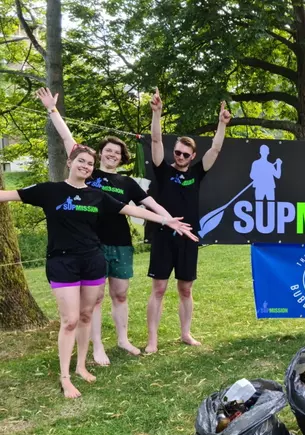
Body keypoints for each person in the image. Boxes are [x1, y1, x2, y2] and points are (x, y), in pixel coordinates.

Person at [0, 145, 194, 398]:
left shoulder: (97, 195)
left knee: (86, 315)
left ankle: (81, 365)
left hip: (92, 260)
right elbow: (7, 194)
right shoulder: (49, 191)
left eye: (89, 164)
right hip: (62, 263)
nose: (85, 166)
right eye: (81, 161)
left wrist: (166, 220)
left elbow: (132, 209)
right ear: (70, 162)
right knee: (69, 320)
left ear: (93, 169)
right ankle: (65, 377)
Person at [35, 88, 196, 366]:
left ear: (122, 159)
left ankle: (122, 339)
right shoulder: (88, 171)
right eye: (107, 151)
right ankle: (97, 347)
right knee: (95, 298)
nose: (112, 155)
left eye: (117, 153)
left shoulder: (128, 183)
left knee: (120, 294)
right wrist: (52, 109)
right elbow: (66, 138)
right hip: (91, 245)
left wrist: (170, 220)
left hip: (121, 244)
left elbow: (149, 204)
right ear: (99, 155)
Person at [146, 88, 231, 353]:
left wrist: (222, 123)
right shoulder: (161, 170)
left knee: (185, 289)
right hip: (163, 235)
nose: (180, 157)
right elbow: (157, 141)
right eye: (178, 152)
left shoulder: (196, 172)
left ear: (192, 156)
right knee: (159, 288)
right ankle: (152, 340)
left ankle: (185, 333)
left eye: (185, 154)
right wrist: (157, 113)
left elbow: (215, 148)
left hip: (189, 238)